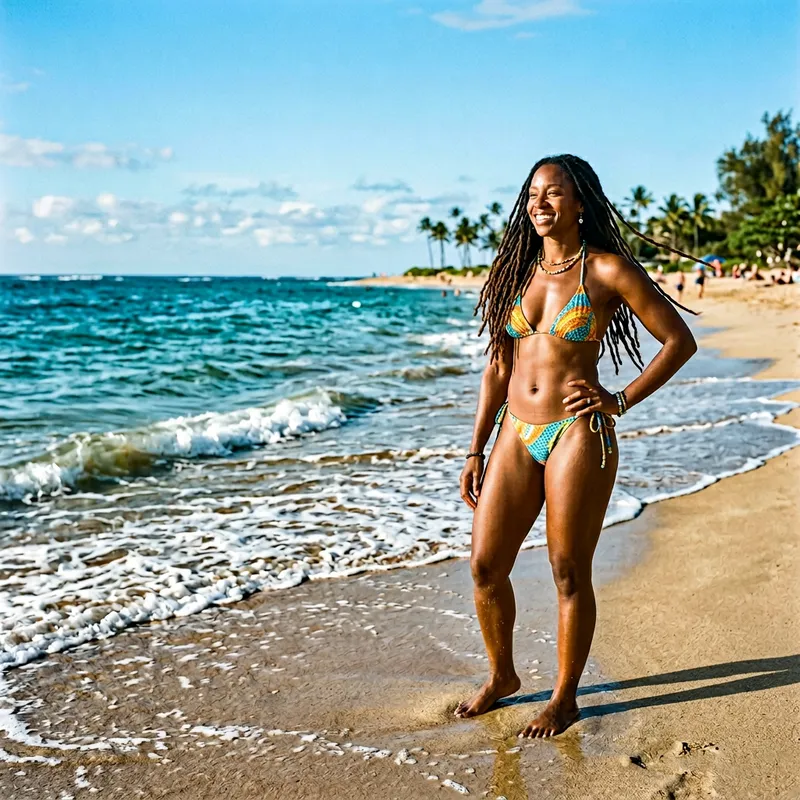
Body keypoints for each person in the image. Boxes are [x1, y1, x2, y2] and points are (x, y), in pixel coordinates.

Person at [456, 155, 699, 737]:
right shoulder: (515, 270)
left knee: (567, 568)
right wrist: (475, 447)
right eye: (534, 194)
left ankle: (565, 698)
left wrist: (619, 400)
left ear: (581, 202)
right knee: (486, 565)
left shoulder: (607, 271)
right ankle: (503, 677)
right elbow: (498, 364)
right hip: (516, 430)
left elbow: (677, 341)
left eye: (555, 193)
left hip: (576, 433)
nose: (540, 204)